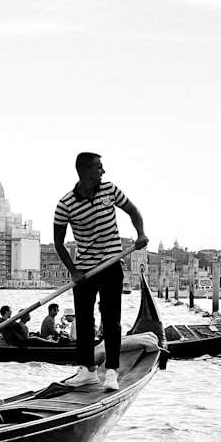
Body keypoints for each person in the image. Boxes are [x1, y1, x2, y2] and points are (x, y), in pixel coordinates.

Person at [53, 152, 147, 391]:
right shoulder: (65, 205)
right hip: (85, 269)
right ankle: (86, 371)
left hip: (111, 265)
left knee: (111, 319)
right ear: (85, 171)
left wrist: (140, 234)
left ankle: (112, 372)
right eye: (98, 168)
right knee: (84, 321)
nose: (103, 172)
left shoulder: (110, 191)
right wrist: (73, 271)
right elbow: (58, 242)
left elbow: (133, 211)